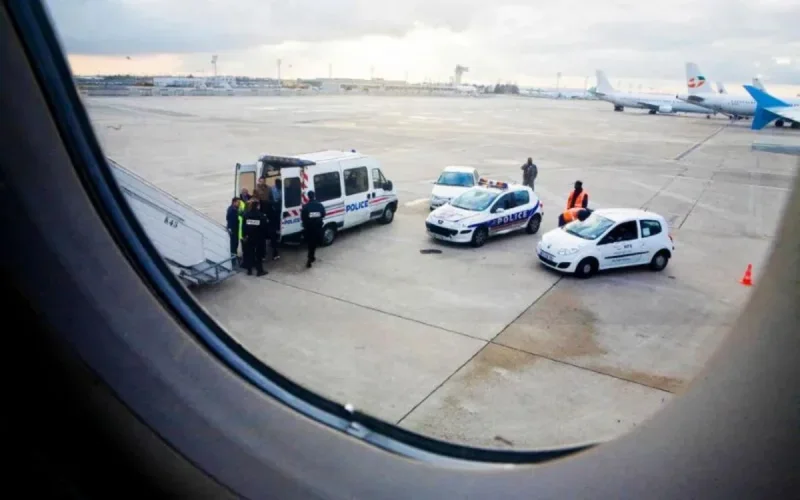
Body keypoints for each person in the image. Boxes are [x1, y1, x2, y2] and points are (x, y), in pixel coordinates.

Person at [241, 199, 268, 276]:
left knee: (250, 253)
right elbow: (264, 227)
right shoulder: (261, 216)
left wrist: (244, 236)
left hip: (249, 237)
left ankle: (249, 270)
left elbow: (244, 227)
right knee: (259, 255)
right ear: (257, 206)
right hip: (259, 238)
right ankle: (259, 271)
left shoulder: (246, 215)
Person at [300, 190, 326, 268]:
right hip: (317, 227)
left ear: (308, 197)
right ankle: (311, 257)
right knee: (316, 243)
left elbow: (303, 218)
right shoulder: (319, 205)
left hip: (309, 228)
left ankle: (311, 257)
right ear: (314, 196)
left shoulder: (306, 207)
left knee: (310, 244)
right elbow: (323, 214)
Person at [268, 179, 282, 261]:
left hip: (280, 207)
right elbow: (270, 198)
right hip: (275, 207)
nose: (279, 185)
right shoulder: (272, 189)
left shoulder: (282, 188)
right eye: (278, 184)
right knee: (274, 241)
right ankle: (275, 254)